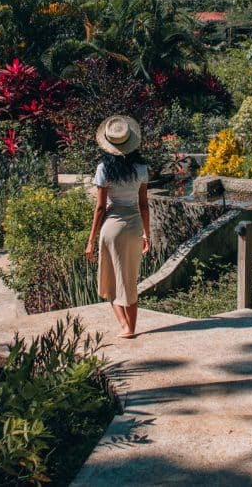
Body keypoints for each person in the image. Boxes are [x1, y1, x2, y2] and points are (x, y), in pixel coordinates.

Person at [85, 115, 150, 338]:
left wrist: (91, 240)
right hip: (133, 228)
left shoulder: (103, 169)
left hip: (111, 228)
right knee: (130, 278)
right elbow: (144, 205)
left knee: (112, 280)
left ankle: (125, 326)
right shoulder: (141, 169)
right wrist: (147, 235)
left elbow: (100, 208)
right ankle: (131, 326)